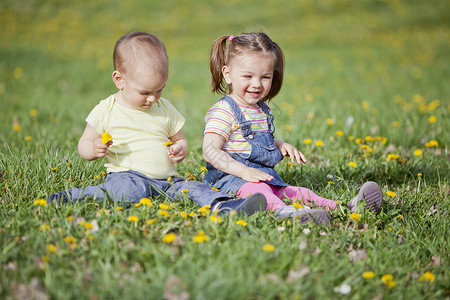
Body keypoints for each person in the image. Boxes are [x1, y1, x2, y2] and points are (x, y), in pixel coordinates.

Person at [49, 31, 267, 215]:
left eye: (159, 89)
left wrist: (180, 148)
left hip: (167, 179)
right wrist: (93, 148)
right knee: (129, 192)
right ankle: (74, 196)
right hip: (128, 176)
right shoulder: (106, 109)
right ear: (119, 80)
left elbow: (179, 139)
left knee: (194, 187)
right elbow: (84, 143)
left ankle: (225, 205)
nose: (153, 98)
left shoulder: (164, 108)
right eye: (144, 92)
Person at [202, 32, 383, 224]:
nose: (256, 84)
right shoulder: (224, 111)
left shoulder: (260, 109)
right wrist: (243, 172)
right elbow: (210, 150)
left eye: (265, 77)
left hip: (263, 177)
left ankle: (348, 207)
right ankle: (286, 213)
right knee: (261, 192)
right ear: (227, 74)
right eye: (248, 76)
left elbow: (250, 142)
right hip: (231, 182)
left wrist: (279, 145)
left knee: (299, 192)